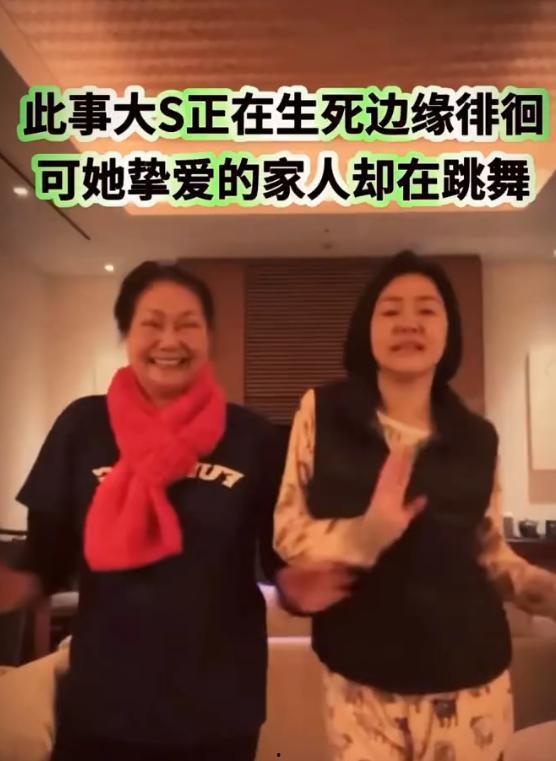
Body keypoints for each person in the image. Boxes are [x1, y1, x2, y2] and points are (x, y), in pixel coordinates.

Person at [274, 251, 556, 761]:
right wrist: (365, 536)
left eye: (427, 309)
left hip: (470, 678)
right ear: (367, 328)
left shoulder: (478, 437)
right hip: (359, 680)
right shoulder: (322, 412)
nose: (409, 322)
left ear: (449, 331)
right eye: (390, 310)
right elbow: (288, 530)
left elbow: (491, 554)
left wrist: (546, 591)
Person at [0, 261, 283, 761]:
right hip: (103, 700)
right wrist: (14, 583)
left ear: (209, 337)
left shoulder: (253, 437)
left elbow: (280, 558)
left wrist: (315, 580)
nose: (169, 340)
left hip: (218, 705)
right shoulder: (83, 426)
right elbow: (47, 557)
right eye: (152, 323)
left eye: (188, 324)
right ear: (126, 334)